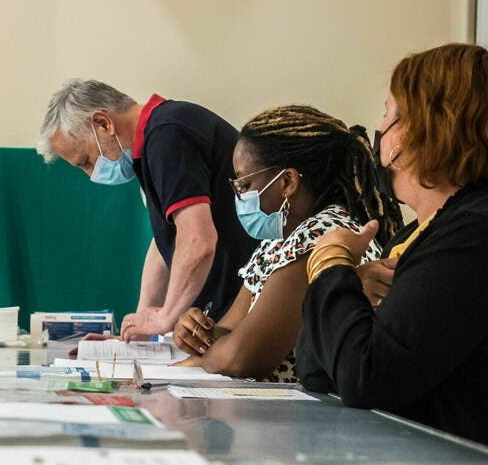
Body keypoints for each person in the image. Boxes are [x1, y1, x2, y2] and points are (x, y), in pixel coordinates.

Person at [296, 43, 488, 444]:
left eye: (388, 113)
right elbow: (316, 370)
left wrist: (331, 263)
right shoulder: (419, 233)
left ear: (420, 129)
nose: (380, 131)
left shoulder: (471, 232)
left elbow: (367, 378)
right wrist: (354, 292)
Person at [171, 106, 402, 380]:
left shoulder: (323, 235)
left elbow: (241, 359)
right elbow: (229, 330)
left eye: (244, 185)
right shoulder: (278, 240)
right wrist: (200, 333)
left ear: (287, 182)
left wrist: (199, 360)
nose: (238, 196)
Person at [38, 81, 258, 340]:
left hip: (249, 301)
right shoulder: (153, 142)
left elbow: (198, 240)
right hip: (231, 298)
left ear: (103, 123)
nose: (90, 175)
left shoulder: (168, 134)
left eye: (86, 161)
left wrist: (166, 316)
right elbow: (167, 241)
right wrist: (138, 328)